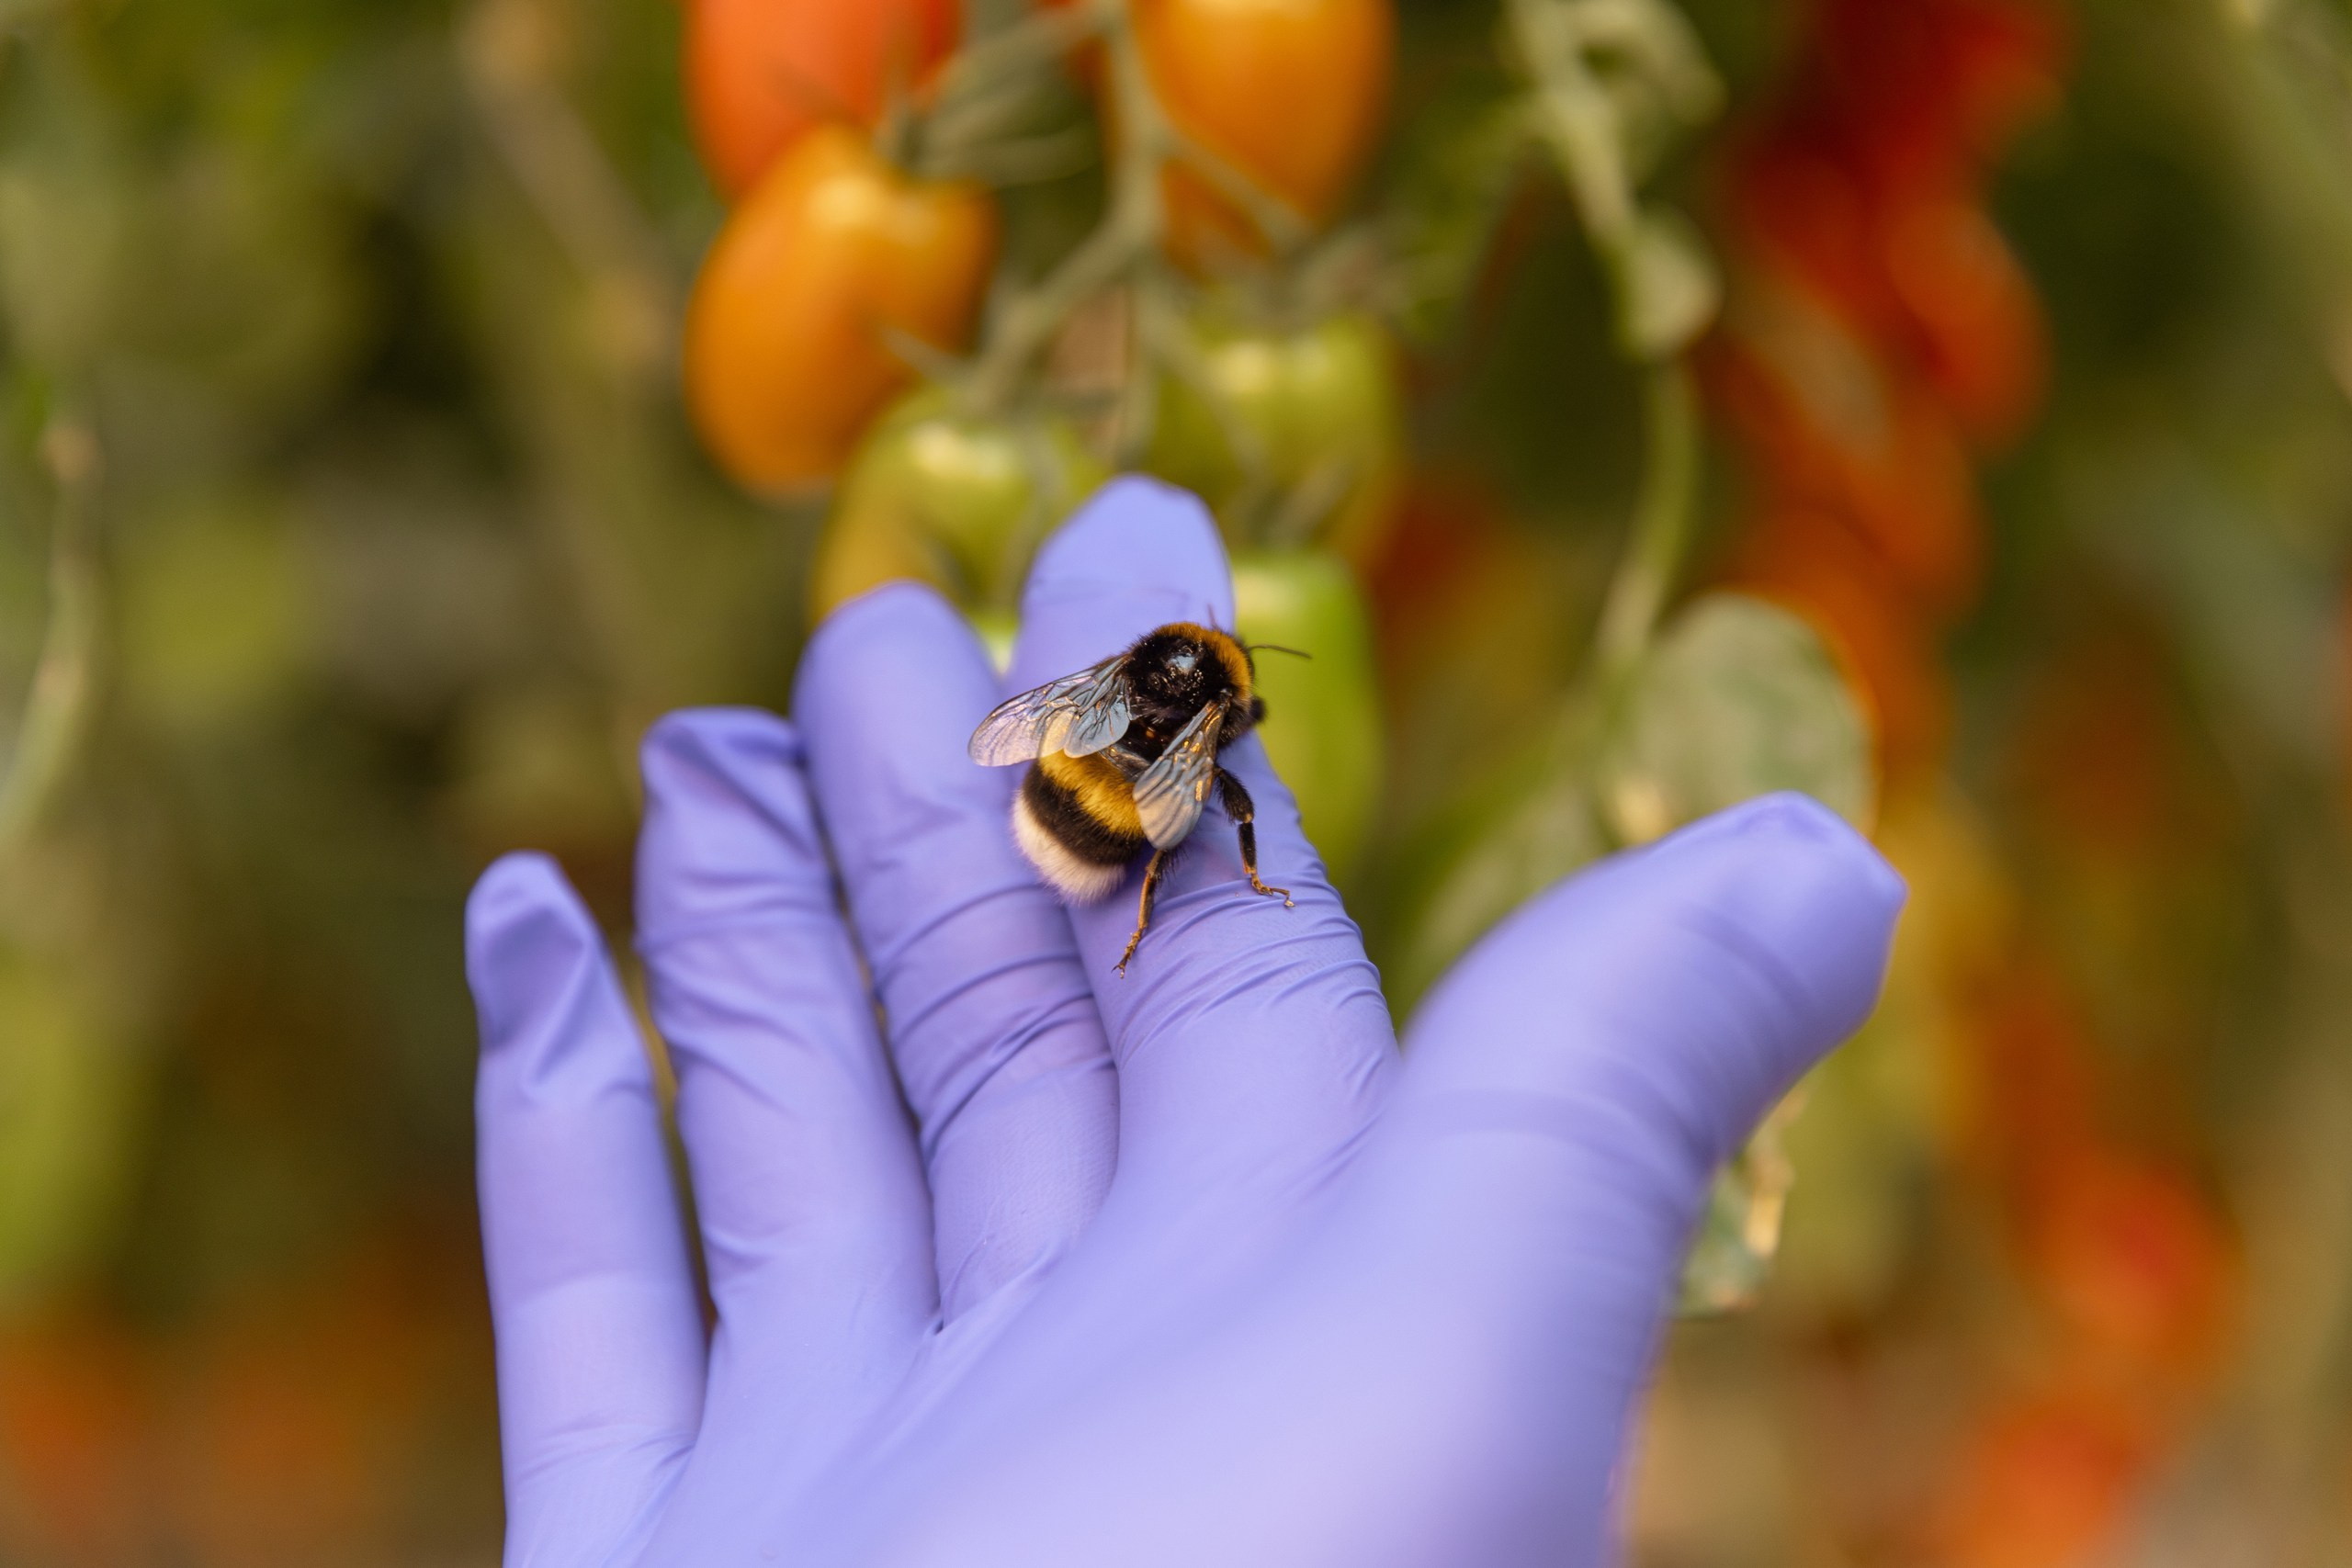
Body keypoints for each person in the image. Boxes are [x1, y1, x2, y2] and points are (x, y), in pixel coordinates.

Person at [461, 477, 1904, 1566]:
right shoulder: (1210, 725)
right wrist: (1236, 877)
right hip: (1095, 838)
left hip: (1057, 802)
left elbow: (1068, 727)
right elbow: (1179, 781)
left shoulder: (1124, 687)